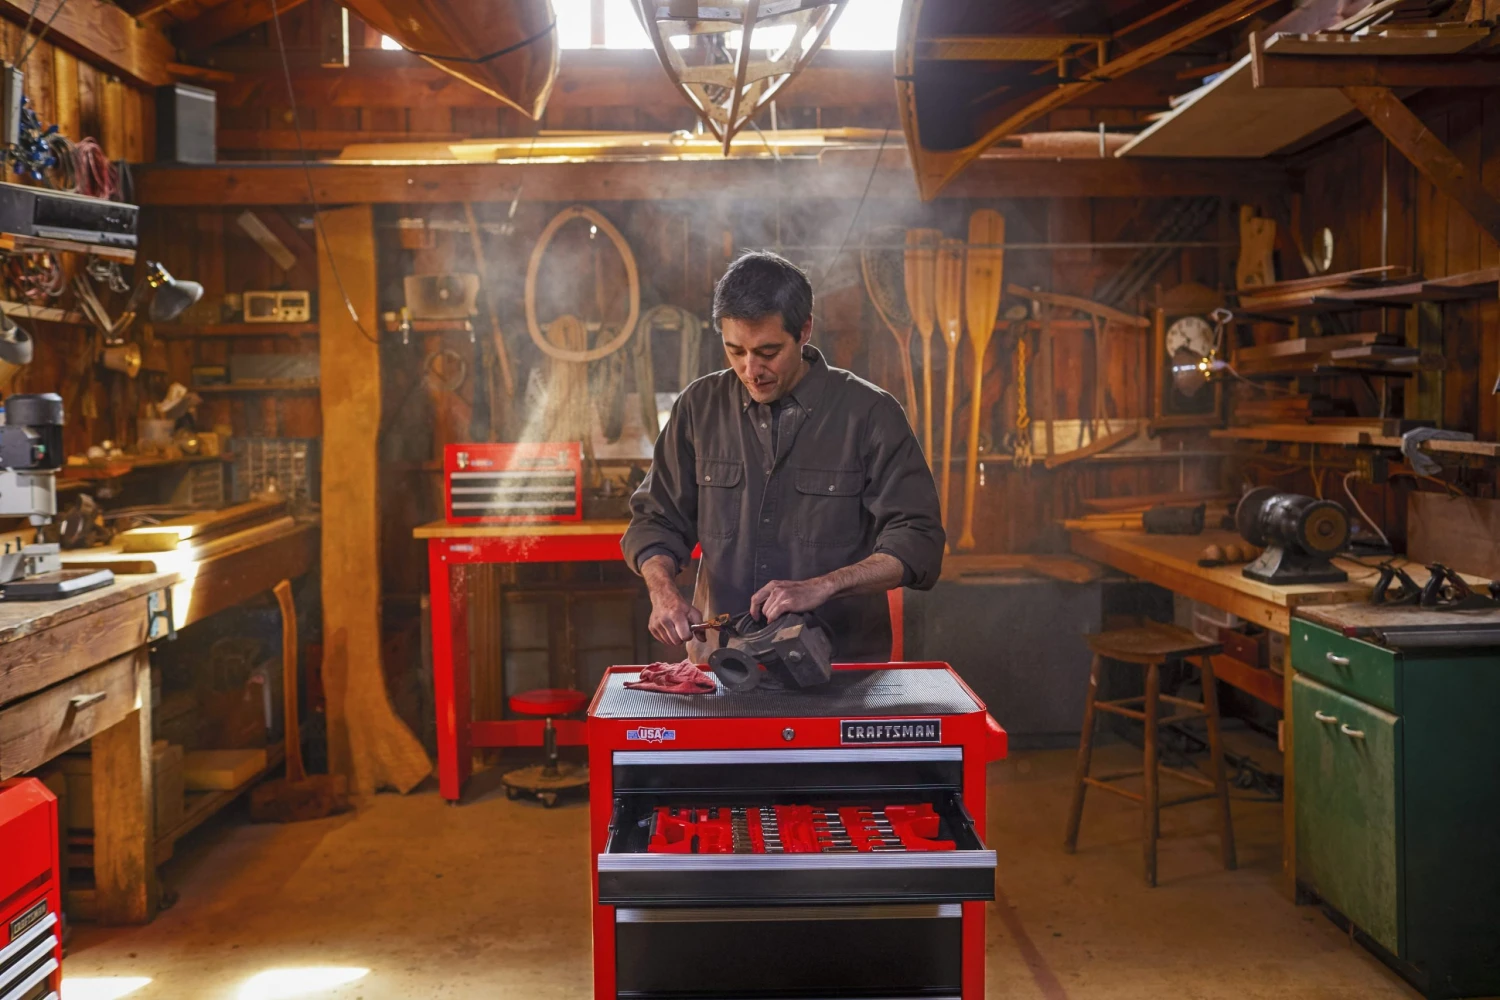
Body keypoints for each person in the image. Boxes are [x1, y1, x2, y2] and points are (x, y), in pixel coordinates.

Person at [621, 250, 944, 662]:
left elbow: (918, 540)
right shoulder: (698, 408)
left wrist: (825, 584)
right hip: (723, 664)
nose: (750, 370)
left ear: (804, 330)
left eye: (768, 352)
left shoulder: (870, 414)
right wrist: (663, 592)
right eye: (735, 351)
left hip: (841, 669)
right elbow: (655, 521)